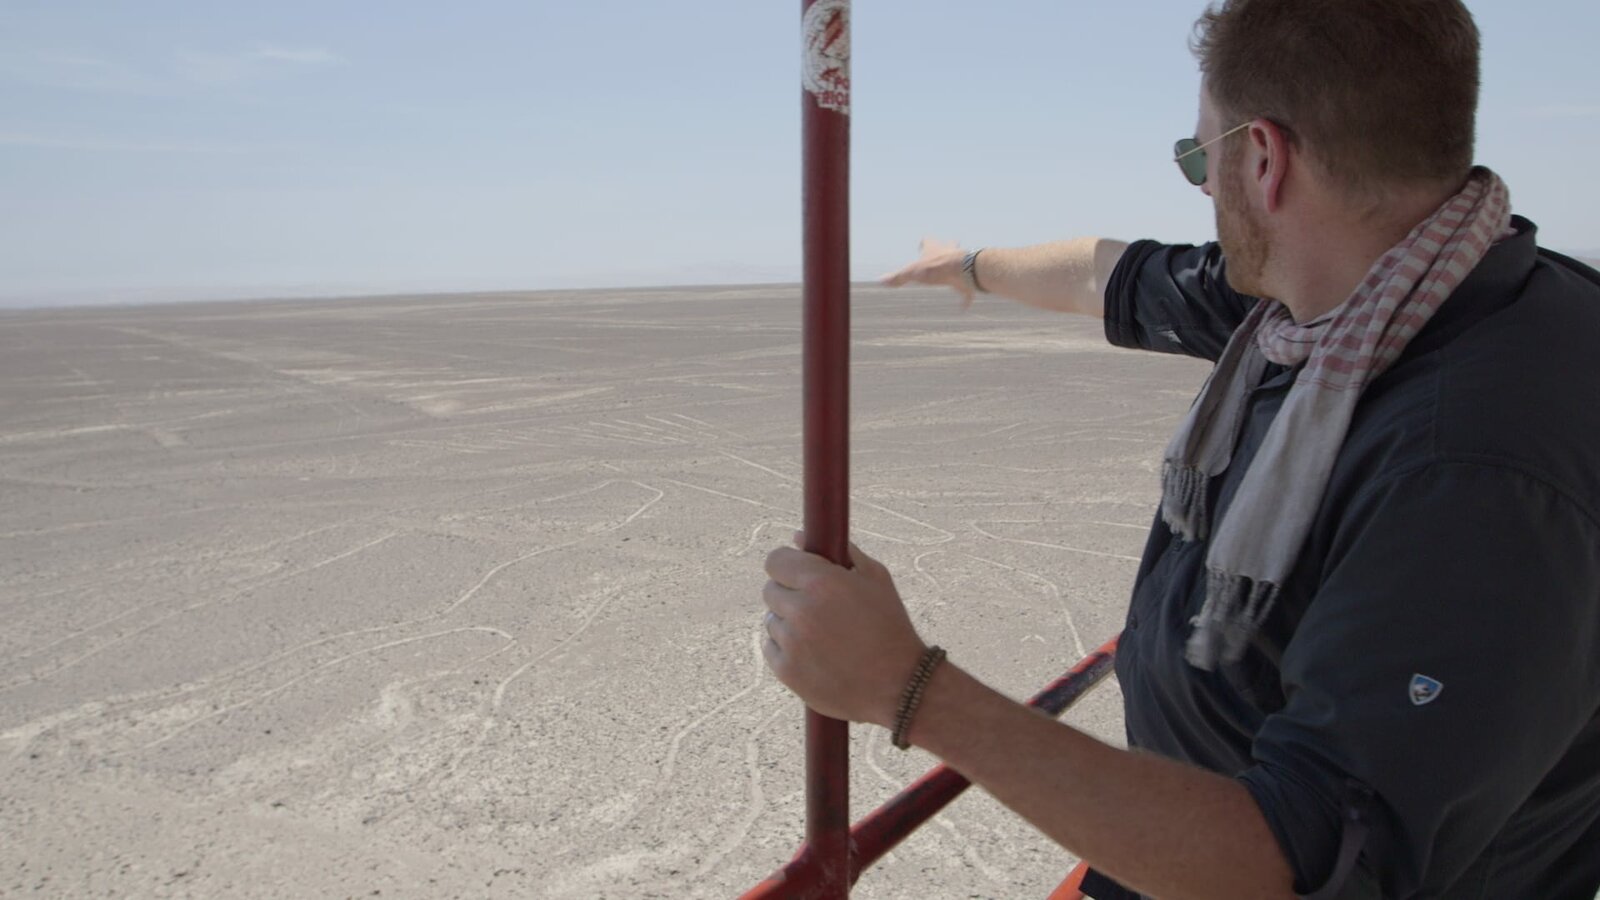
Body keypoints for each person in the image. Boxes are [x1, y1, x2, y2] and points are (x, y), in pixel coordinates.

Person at [757, 1, 1600, 897]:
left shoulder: (1472, 469)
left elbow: (1302, 862)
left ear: (1265, 158)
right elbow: (1106, 273)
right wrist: (966, 266)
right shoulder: (1355, 302)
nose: (1198, 186)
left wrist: (909, 689)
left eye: (1199, 157)